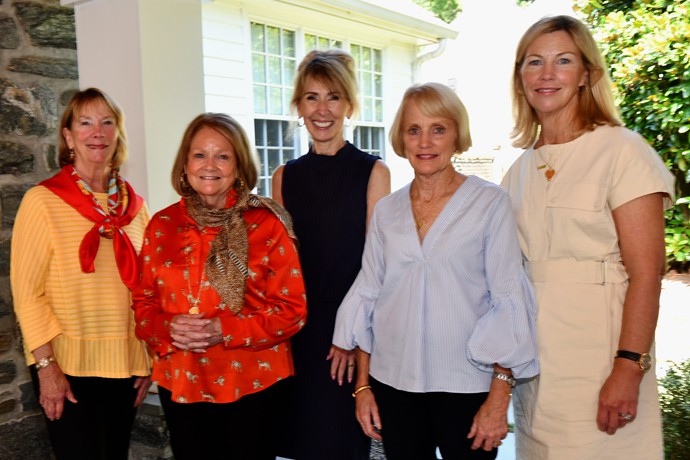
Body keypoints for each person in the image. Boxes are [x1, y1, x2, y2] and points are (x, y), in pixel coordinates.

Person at [332, 82, 539, 460]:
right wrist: (363, 387)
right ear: (402, 138)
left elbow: (508, 299)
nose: (425, 141)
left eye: (438, 129)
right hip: (393, 386)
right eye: (414, 130)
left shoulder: (489, 203)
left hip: (468, 387)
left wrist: (499, 397)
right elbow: (370, 297)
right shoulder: (387, 211)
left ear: (456, 135)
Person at [501, 15, 675, 460]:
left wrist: (628, 367)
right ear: (520, 77)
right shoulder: (516, 173)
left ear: (586, 74)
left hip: (601, 366)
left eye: (563, 60)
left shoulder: (623, 150)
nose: (546, 74)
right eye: (534, 62)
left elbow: (647, 273)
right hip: (536, 374)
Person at [131, 112, 307, 460]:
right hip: (182, 381)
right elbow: (142, 303)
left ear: (239, 166)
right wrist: (167, 326)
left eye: (222, 155)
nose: (209, 165)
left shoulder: (268, 224)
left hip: (255, 384)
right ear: (185, 163)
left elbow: (293, 312)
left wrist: (222, 330)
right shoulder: (161, 225)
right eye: (199, 154)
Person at [10, 87, 151, 459]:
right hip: (67, 370)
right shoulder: (42, 201)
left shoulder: (137, 208)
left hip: (126, 368)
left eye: (108, 122)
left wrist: (147, 357)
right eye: (85, 123)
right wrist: (46, 367)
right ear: (69, 136)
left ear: (118, 134)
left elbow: (149, 290)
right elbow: (27, 293)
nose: (98, 132)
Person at [271, 49, 390, 460]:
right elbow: (282, 270)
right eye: (311, 97)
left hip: (351, 337)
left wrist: (350, 336)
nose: (323, 109)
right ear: (299, 107)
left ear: (350, 105)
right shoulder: (284, 177)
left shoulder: (374, 172)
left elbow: (376, 270)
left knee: (344, 445)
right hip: (297, 339)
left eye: (334, 96)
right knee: (300, 446)